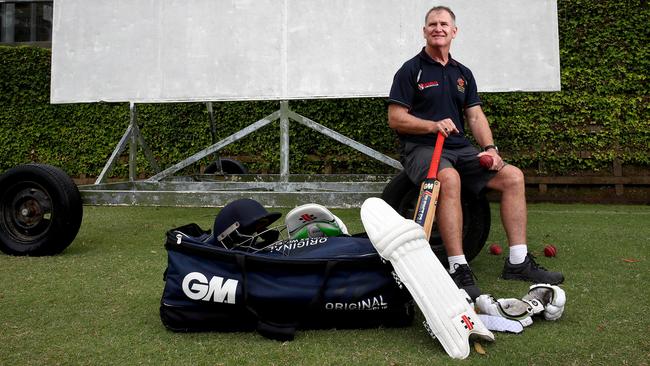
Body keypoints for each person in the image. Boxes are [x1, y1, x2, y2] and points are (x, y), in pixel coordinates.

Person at [387, 6, 563, 300]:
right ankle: (458, 267)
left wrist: (490, 149)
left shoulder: (462, 74)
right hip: (422, 148)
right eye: (432, 24)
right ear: (424, 31)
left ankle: (518, 262)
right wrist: (431, 125)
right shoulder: (410, 70)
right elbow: (396, 118)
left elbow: (475, 116)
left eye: (444, 24)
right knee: (449, 179)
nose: (438, 28)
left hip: (460, 148)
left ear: (454, 32)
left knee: (513, 177)